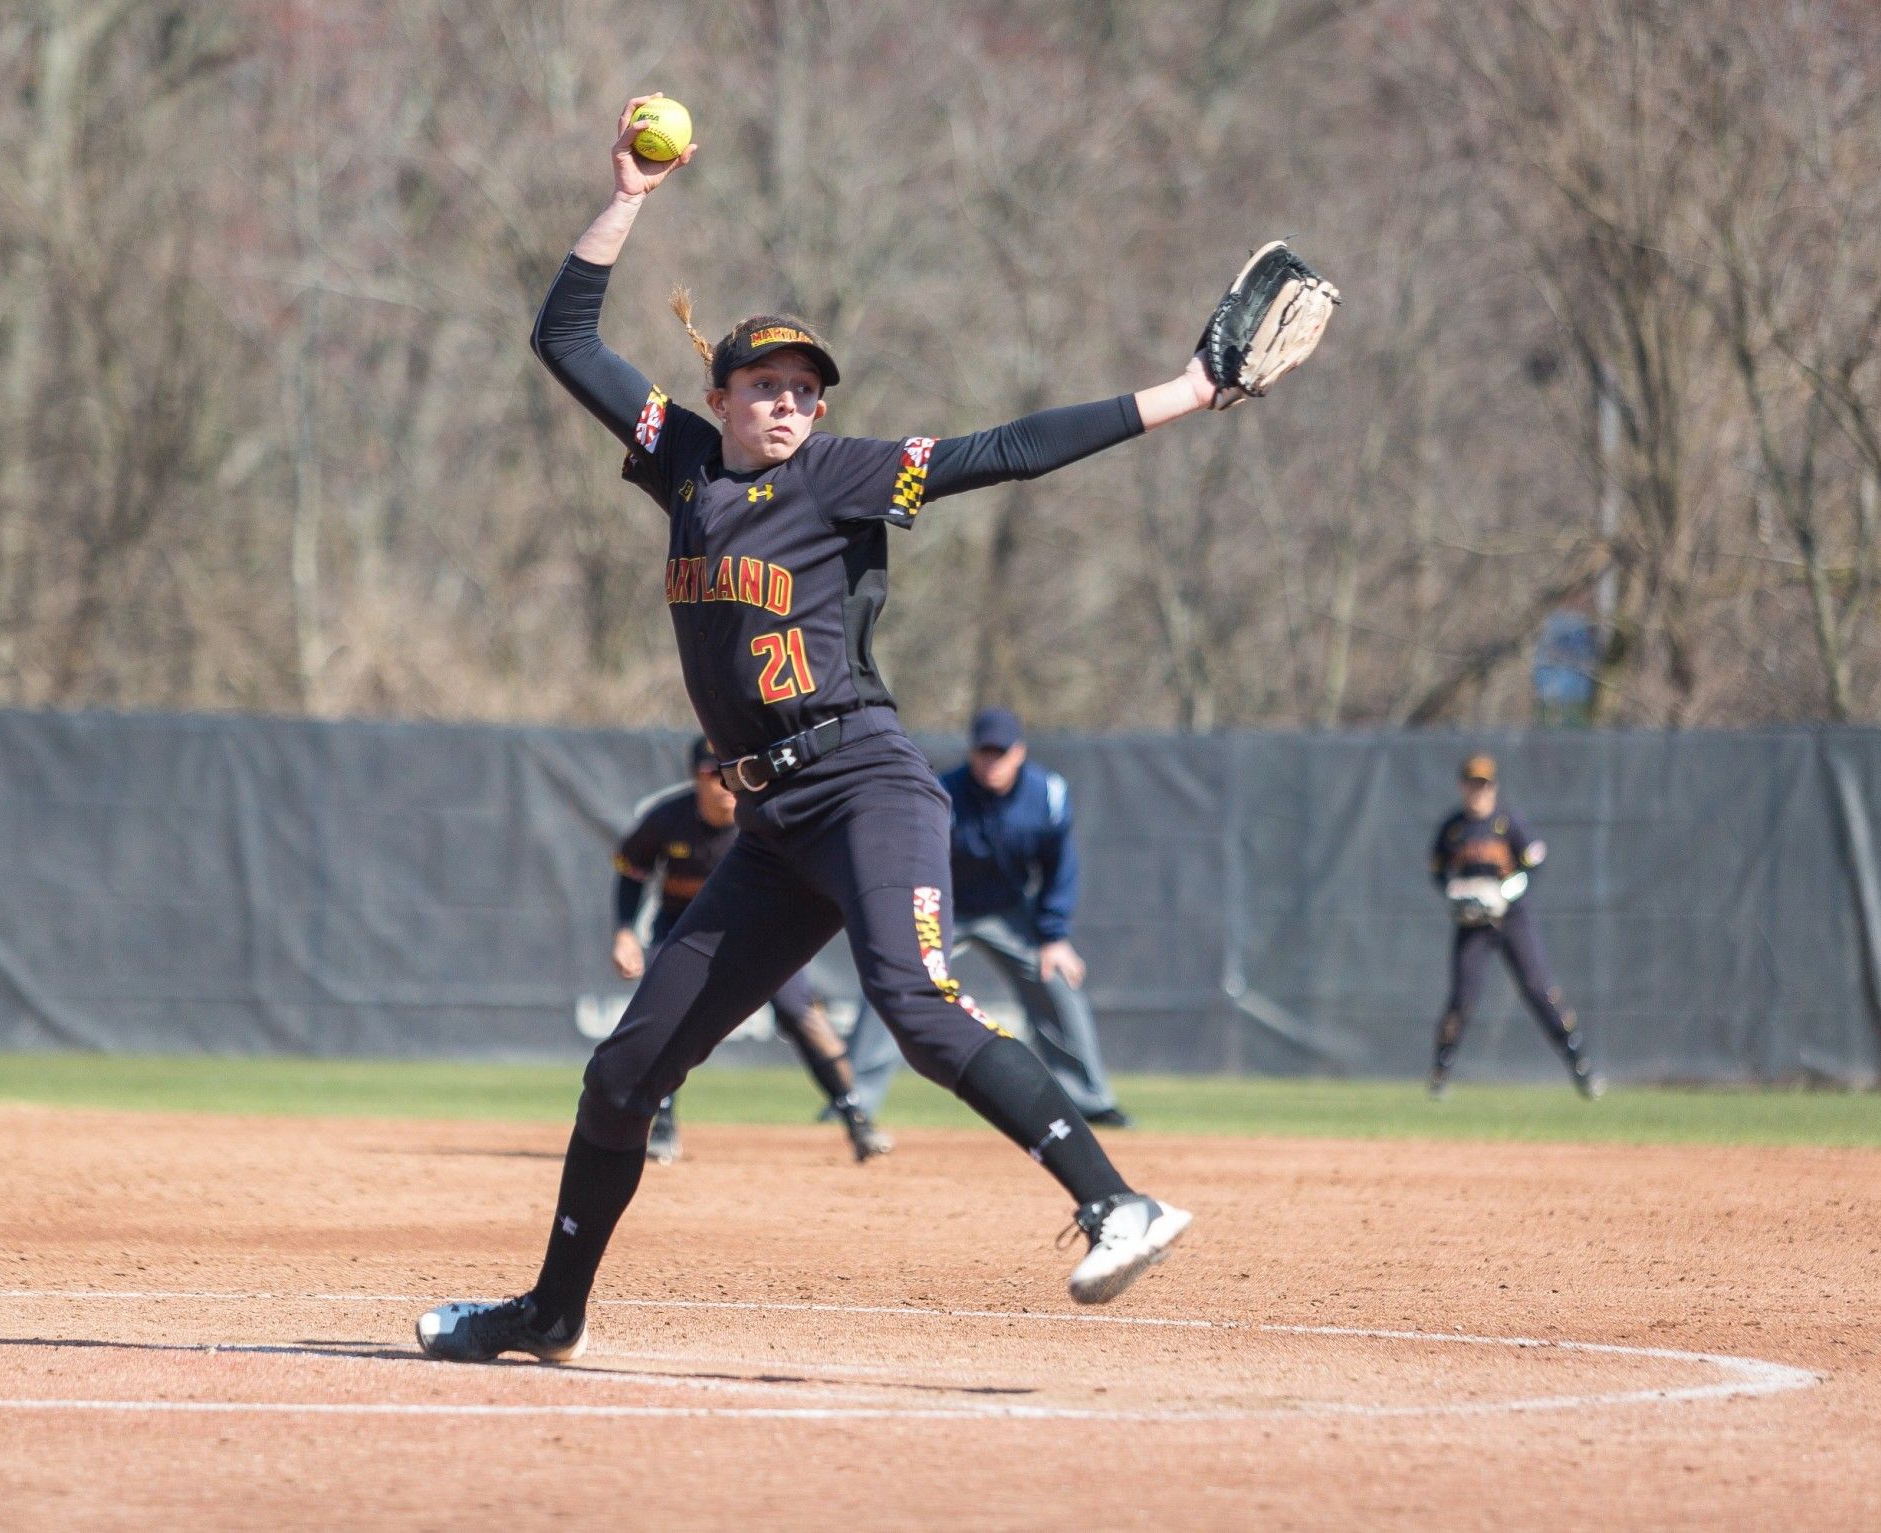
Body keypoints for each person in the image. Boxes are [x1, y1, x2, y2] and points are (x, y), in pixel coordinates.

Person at [416, 95, 1302, 1364]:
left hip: (865, 782)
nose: (789, 402)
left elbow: (1005, 451)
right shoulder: (679, 462)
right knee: (623, 1074)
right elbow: (562, 334)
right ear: (715, 393)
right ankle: (549, 1312)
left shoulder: (836, 476)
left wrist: (1185, 389)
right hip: (772, 828)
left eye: (805, 389)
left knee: (918, 1005)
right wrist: (628, 196)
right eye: (765, 384)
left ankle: (1118, 1201)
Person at [612, 736, 894, 1164]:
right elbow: (631, 870)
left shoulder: (764, 817)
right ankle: (663, 1122)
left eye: (730, 772)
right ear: (695, 777)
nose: (723, 783)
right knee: (665, 1016)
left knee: (802, 1013)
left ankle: (857, 1117)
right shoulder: (667, 820)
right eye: (712, 772)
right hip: (684, 930)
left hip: (761, 931)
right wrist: (624, 931)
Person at [939, 707, 1130, 1126]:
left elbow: (1061, 867)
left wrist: (1054, 936)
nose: (991, 761)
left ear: (1019, 753)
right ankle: (854, 1097)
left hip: (1009, 911)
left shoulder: (1047, 793)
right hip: (945, 907)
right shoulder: (943, 792)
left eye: (1000, 752)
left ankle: (1091, 1100)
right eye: (983, 752)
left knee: (1057, 981)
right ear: (971, 753)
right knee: (898, 981)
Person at [1427, 753, 1602, 1100]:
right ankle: (1440, 1074)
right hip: (1473, 925)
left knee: (1540, 990)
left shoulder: (1507, 823)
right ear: (1462, 786)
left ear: (1494, 787)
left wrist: (1504, 890)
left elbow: (1535, 858)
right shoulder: (1453, 829)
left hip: (1512, 918)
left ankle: (1580, 1066)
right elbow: (1437, 871)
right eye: (1472, 783)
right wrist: (1454, 891)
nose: (1478, 791)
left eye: (1484, 784)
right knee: (1462, 999)